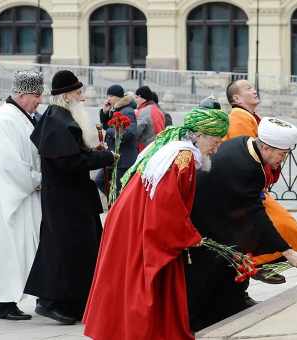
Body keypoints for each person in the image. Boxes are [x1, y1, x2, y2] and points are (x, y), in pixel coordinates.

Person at [83, 107, 229, 340]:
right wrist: (189, 237)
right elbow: (166, 205)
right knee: (145, 284)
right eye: (215, 139)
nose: (217, 146)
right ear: (199, 135)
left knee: (125, 280)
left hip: (130, 218)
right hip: (142, 223)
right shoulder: (184, 157)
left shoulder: (172, 146)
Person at [187, 117, 297, 332]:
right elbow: (257, 215)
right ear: (265, 147)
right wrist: (288, 252)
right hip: (204, 224)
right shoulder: (249, 167)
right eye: (282, 154)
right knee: (206, 280)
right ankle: (199, 324)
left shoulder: (244, 142)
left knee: (231, 267)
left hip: (217, 218)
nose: (283, 159)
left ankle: (224, 316)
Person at [25, 70, 116, 325]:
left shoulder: (61, 117)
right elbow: (70, 162)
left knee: (74, 249)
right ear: (66, 96)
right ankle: (53, 302)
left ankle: (73, 302)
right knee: (67, 250)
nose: (83, 97)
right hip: (66, 200)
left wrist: (94, 151)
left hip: (69, 197)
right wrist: (104, 157)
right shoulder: (58, 120)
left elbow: (72, 153)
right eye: (78, 93)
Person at [224, 79, 297, 284]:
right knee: (274, 224)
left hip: (250, 185)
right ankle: (257, 266)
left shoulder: (250, 116)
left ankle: (259, 265)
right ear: (236, 98)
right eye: (248, 88)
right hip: (243, 187)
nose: (254, 90)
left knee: (282, 224)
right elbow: (248, 152)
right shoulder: (239, 116)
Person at [0, 70, 44, 320]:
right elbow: (11, 165)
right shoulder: (5, 119)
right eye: (36, 95)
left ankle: (14, 301)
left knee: (20, 250)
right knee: (9, 250)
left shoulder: (21, 116)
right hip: (12, 198)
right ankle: (5, 304)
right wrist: (39, 179)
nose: (40, 100)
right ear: (21, 94)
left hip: (23, 195)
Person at [95, 85, 138, 195]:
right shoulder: (116, 109)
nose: (108, 98)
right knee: (100, 180)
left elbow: (130, 134)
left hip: (124, 159)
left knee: (119, 190)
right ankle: (113, 203)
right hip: (114, 157)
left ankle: (116, 206)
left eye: (111, 96)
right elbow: (107, 126)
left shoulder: (127, 111)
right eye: (108, 95)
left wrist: (109, 131)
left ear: (118, 97)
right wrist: (104, 113)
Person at [134, 85, 166, 151]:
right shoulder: (158, 110)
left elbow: (136, 132)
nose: (135, 100)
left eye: (136, 97)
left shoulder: (144, 111)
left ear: (141, 97)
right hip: (159, 145)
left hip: (147, 148)